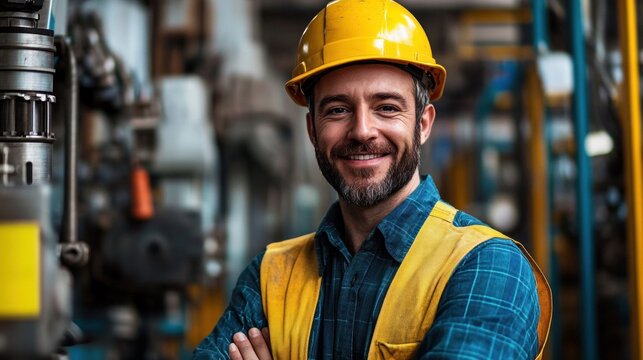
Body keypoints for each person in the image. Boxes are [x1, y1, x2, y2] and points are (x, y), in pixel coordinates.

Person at [193, 0, 552, 359]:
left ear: (423, 123)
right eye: (338, 110)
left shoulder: (486, 266)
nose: (362, 131)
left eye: (387, 107)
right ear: (312, 130)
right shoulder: (270, 277)